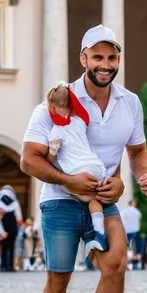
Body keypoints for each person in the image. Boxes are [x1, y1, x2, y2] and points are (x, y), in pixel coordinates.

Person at [21, 24, 147, 293]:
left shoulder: (130, 103)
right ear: (83, 59)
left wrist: (130, 179)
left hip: (104, 200)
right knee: (58, 280)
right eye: (98, 56)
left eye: (112, 57)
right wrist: (69, 181)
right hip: (60, 202)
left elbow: (138, 150)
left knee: (116, 263)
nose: (105, 63)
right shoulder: (56, 102)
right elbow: (29, 159)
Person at [46, 82, 109, 259]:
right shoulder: (79, 122)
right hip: (96, 167)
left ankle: (90, 234)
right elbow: (82, 112)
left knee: (67, 187)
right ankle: (99, 234)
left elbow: (51, 158)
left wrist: (50, 155)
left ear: (51, 107)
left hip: (79, 170)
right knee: (94, 199)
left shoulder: (56, 131)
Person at [0, 185, 23, 271]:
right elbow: (19, 218)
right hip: (12, 229)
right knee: (11, 247)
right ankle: (10, 266)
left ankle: (3, 266)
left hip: (1, 229)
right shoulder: (15, 202)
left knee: (3, 247)